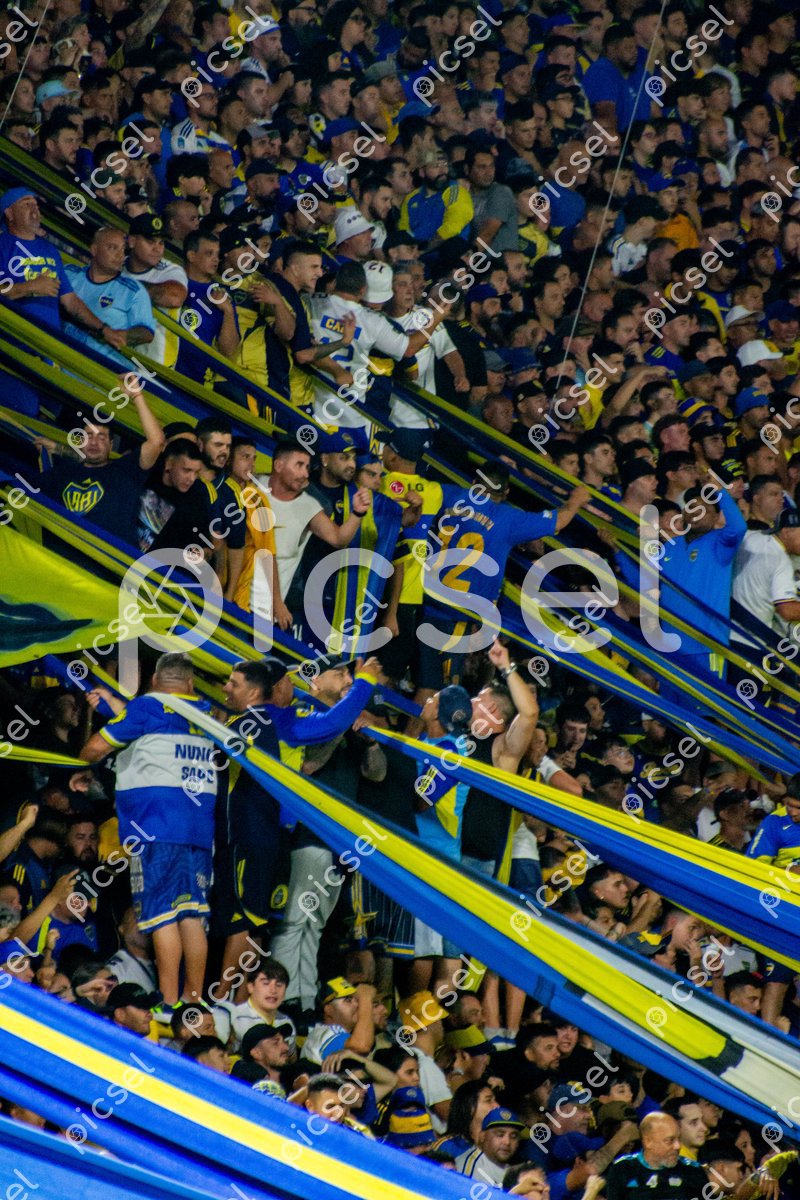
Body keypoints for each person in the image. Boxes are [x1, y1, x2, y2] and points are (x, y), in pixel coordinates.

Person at [79, 653, 217, 1015]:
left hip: (156, 829)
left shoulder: (146, 707)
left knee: (162, 915)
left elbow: (94, 749)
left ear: (154, 681)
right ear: (190, 684)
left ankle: (168, 1003)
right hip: (199, 831)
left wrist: (81, 765)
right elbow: (157, 723)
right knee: (191, 914)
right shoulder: (207, 713)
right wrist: (115, 705)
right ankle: (193, 999)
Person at [604, 1112, 708, 1200]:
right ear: (648, 1142)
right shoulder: (622, 1169)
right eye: (669, 1141)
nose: (677, 1146)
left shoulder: (693, 1171)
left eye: (678, 1139)